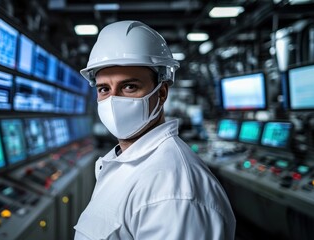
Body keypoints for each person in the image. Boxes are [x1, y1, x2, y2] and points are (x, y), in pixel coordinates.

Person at [73, 20, 236, 240]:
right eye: (104, 89)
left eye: (129, 86)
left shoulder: (173, 192)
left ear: (161, 93)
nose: (113, 101)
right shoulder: (128, 163)